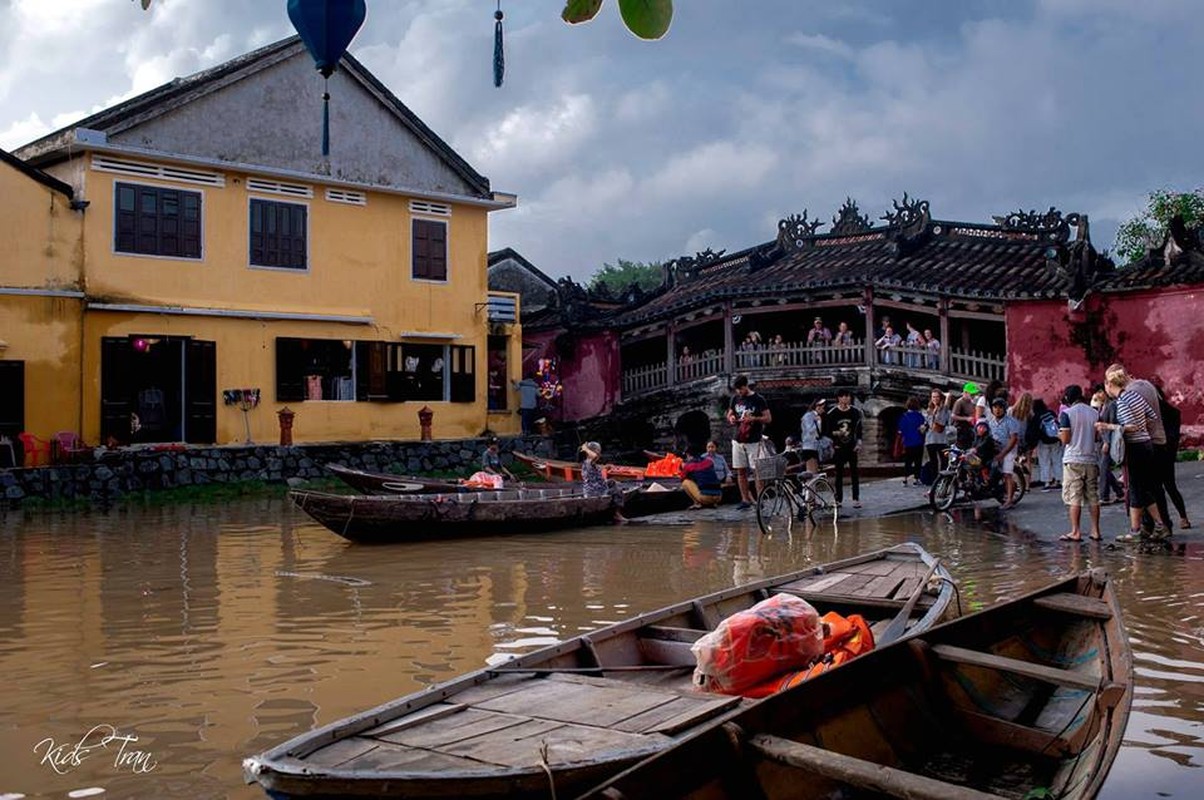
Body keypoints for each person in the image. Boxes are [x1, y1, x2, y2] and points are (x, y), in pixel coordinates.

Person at [1097, 367, 1168, 542]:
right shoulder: (1135, 396)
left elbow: (1130, 426)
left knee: (1136, 488)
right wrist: (1141, 425)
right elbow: (1151, 416)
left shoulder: (1122, 401)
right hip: (1147, 444)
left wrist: (1109, 426)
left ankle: (1136, 531)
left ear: (1110, 384)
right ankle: (1159, 525)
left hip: (1135, 447)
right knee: (1144, 488)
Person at [1057, 384, 1101, 542]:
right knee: (1093, 496)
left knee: (1074, 497)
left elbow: (1066, 439)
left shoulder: (1066, 414)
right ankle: (1095, 531)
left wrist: (1059, 434)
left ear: (1068, 398)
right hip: (1091, 458)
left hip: (1073, 460)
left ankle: (1075, 531)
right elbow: (1096, 437)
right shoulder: (1094, 413)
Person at [726, 375, 772, 510]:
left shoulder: (758, 399)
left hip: (753, 439)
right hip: (738, 437)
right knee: (740, 470)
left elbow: (768, 418)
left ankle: (760, 498)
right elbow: (729, 413)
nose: (739, 392)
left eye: (741, 389)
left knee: (756, 471)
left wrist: (754, 419)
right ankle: (745, 499)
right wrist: (731, 417)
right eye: (738, 390)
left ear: (746, 386)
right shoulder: (735, 398)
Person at [1151, 377, 1191, 529]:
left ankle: (1181, 517)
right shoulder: (1166, 412)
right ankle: (1171, 520)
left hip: (1163, 455)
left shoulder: (1169, 412)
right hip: (1162, 454)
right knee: (1164, 488)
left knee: (1168, 487)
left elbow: (1172, 437)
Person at [823, 388, 862, 508]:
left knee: (854, 473)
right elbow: (827, 432)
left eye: (848, 396)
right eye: (843, 396)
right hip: (839, 446)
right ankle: (838, 499)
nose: (846, 399)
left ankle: (856, 498)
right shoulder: (832, 413)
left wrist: (859, 443)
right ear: (839, 398)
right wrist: (836, 436)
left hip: (852, 446)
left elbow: (859, 429)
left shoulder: (855, 412)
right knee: (839, 474)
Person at [984, 396, 1023, 508]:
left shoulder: (1011, 422)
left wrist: (1003, 453)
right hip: (995, 450)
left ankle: (1009, 500)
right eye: (995, 407)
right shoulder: (990, 422)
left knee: (1007, 474)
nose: (997, 410)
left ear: (1004, 409)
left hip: (1008, 451)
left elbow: (1013, 439)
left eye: (1000, 407)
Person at [579, 441, 627, 523]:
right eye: (598, 452)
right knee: (617, 490)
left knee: (613, 482)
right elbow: (594, 456)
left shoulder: (591, 463)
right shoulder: (588, 462)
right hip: (595, 491)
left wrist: (606, 467)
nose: (599, 454)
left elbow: (596, 473)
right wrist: (586, 448)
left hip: (597, 487)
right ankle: (616, 513)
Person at [1091, 388, 1125, 505]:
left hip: (1108, 440)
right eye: (1096, 393)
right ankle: (1119, 492)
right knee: (1103, 468)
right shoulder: (1101, 406)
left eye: (1100, 392)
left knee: (1104, 468)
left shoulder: (1112, 405)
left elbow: (1112, 424)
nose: (1098, 395)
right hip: (1100, 440)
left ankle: (1104, 496)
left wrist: (1107, 442)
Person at [1031, 397, 1063, 492]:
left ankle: (1047, 483)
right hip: (1056, 439)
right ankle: (1059, 481)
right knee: (1057, 460)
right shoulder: (1051, 413)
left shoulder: (1036, 416)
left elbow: (1035, 431)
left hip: (1043, 442)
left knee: (1044, 462)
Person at [680, 443, 723, 509]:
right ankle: (712, 503)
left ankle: (697, 503)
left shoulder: (689, 465)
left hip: (704, 497)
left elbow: (682, 478)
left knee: (685, 482)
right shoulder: (709, 461)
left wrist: (684, 468)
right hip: (719, 496)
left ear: (688, 455)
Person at [897, 397, 926, 486]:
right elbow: (923, 428)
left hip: (907, 442)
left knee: (908, 461)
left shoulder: (904, 416)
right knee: (918, 461)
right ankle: (916, 479)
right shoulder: (920, 416)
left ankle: (905, 479)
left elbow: (900, 431)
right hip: (918, 441)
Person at [924, 388, 950, 478]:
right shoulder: (929, 410)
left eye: (937, 397)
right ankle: (934, 480)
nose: (935, 399)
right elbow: (927, 423)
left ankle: (942, 479)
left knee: (944, 461)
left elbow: (949, 395)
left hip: (941, 440)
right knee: (933, 461)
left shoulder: (944, 409)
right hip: (930, 439)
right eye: (933, 397)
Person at [798, 397, 826, 474]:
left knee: (815, 471)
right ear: (817, 406)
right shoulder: (808, 416)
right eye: (822, 408)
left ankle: (813, 485)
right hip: (809, 446)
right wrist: (818, 422)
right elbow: (810, 430)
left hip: (815, 446)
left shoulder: (816, 416)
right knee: (811, 471)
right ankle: (809, 485)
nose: (823, 410)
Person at [950, 382, 979, 448]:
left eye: (974, 394)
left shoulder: (972, 402)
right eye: (971, 394)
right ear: (965, 393)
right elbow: (953, 416)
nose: (973, 396)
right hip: (960, 429)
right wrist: (966, 418)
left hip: (970, 429)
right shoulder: (959, 402)